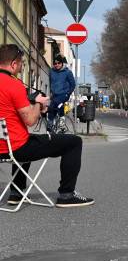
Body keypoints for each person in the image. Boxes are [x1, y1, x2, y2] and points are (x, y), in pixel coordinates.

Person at [0, 44, 94, 207]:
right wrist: (38, 104)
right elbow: (30, 120)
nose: (22, 67)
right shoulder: (14, 85)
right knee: (74, 142)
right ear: (13, 64)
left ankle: (16, 192)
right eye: (22, 63)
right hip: (15, 148)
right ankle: (66, 195)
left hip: (5, 146)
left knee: (25, 138)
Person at [47, 54, 76, 133]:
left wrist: (68, 93)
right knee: (51, 108)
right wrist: (51, 92)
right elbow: (51, 82)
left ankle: (62, 123)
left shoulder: (67, 72)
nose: (57, 65)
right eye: (55, 63)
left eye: (58, 63)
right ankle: (50, 126)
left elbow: (73, 84)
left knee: (58, 103)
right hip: (55, 94)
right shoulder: (51, 71)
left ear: (62, 63)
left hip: (64, 94)